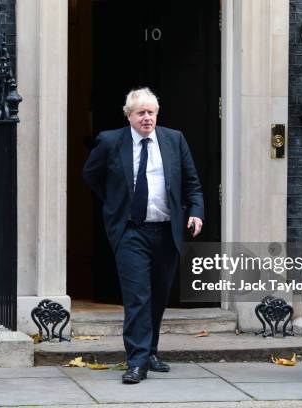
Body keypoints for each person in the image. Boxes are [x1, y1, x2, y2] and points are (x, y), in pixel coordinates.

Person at [83, 88, 204, 384]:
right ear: (129, 116)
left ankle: (150, 351)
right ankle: (136, 361)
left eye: (151, 112)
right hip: (131, 231)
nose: (147, 118)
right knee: (137, 297)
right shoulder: (111, 141)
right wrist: (115, 203)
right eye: (141, 113)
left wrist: (196, 212)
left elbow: (192, 182)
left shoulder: (174, 139)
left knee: (159, 295)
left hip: (166, 231)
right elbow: (91, 174)